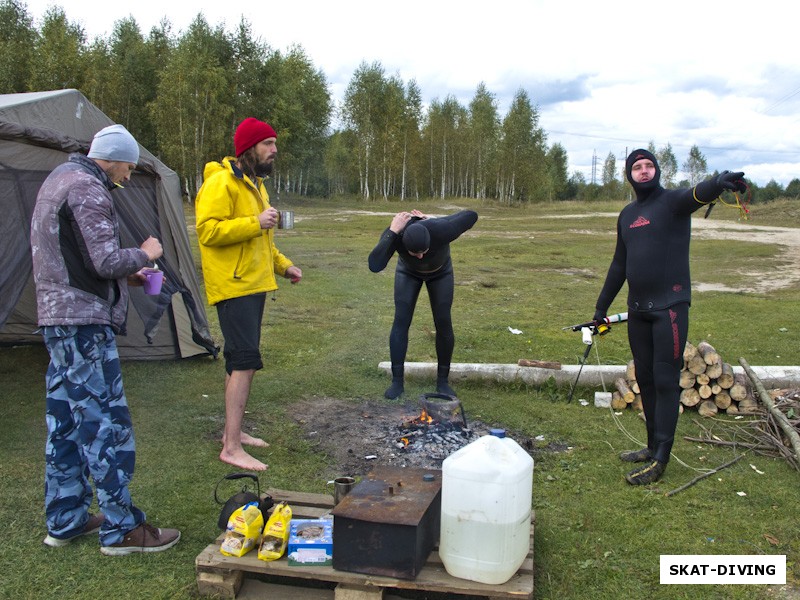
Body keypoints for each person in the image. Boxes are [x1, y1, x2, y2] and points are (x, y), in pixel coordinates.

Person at [31, 124, 181, 554]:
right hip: (82, 325)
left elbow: (77, 257)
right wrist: (146, 255)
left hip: (58, 320)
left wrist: (127, 276)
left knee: (65, 420)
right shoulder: (88, 189)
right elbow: (103, 259)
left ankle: (66, 517)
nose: (128, 176)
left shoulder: (59, 179)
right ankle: (120, 528)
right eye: (128, 167)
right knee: (103, 423)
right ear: (112, 158)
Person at [593, 149, 746, 485]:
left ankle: (661, 458)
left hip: (670, 309)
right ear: (629, 174)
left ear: (657, 170)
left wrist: (719, 183)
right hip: (637, 312)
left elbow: (698, 193)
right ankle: (650, 446)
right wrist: (601, 308)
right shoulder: (627, 215)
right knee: (645, 381)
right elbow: (620, 264)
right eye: (637, 166)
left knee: (665, 382)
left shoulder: (673, 203)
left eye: (649, 165)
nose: (644, 171)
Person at [195, 117, 302, 472]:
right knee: (244, 362)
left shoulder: (255, 186)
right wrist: (253, 223)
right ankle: (230, 447)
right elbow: (207, 231)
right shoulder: (220, 183)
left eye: (274, 144)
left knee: (236, 361)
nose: (275, 151)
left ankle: (234, 434)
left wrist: (284, 266)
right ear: (249, 148)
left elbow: (263, 241)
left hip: (253, 285)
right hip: (233, 284)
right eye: (268, 144)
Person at [369, 209, 478, 399]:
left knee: (443, 321)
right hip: (408, 273)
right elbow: (374, 264)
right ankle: (397, 382)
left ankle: (442, 382)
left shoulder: (441, 229)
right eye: (414, 252)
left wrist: (436, 220)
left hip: (441, 272)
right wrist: (393, 230)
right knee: (401, 321)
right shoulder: (396, 234)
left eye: (424, 251)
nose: (420, 256)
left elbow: (472, 215)